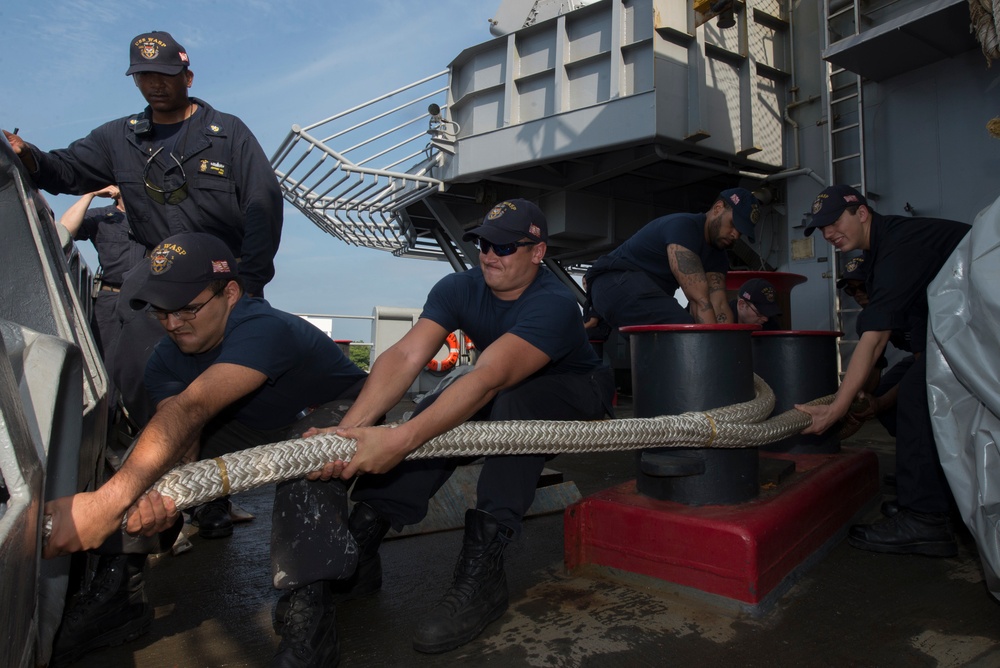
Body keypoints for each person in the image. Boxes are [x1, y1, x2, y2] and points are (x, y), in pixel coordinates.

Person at [43, 233, 369, 667]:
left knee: (306, 461)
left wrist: (107, 503)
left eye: (188, 309)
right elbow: (180, 434)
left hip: (345, 413)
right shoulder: (166, 357)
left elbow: (195, 405)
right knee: (148, 454)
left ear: (230, 293)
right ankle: (119, 590)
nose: (174, 323)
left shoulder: (262, 327)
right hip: (256, 424)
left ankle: (310, 614)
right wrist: (162, 497)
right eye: (162, 312)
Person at [308, 199, 616, 657]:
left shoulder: (554, 304)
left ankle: (483, 571)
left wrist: (400, 440)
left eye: (506, 246)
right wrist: (350, 431)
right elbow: (407, 355)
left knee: (507, 402)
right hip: (504, 380)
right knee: (440, 403)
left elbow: (490, 376)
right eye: (483, 243)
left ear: (537, 252)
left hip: (573, 389)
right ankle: (363, 545)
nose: (490, 254)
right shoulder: (458, 288)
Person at [2, 30, 282, 299]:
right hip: (159, 286)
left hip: (222, 284)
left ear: (188, 78)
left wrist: (249, 283)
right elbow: (65, 171)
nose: (155, 85)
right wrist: (27, 154)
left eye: (165, 75)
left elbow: (263, 206)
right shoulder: (118, 139)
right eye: (144, 76)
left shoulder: (228, 133)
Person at [795, 185, 970, 557]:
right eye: (821, 228)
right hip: (963, 332)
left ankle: (925, 519)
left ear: (861, 212)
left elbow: (875, 339)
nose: (828, 234)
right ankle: (934, 498)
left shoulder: (901, 244)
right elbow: (908, 345)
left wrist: (836, 409)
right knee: (913, 393)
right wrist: (864, 401)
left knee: (920, 399)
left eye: (833, 222)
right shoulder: (880, 258)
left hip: (987, 325)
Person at [584, 188, 761, 328]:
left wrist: (728, 347)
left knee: (670, 332)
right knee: (680, 326)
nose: (735, 235)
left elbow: (719, 305)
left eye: (741, 232)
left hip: (642, 292)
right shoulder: (684, 227)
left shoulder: (718, 255)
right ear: (718, 209)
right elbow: (700, 301)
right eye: (733, 225)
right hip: (612, 282)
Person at [58, 186, 147, 406]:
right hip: (111, 303)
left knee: (147, 367)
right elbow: (63, 231)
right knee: (104, 368)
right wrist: (90, 194)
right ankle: (105, 426)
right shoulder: (102, 217)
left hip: (147, 304)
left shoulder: (156, 219)